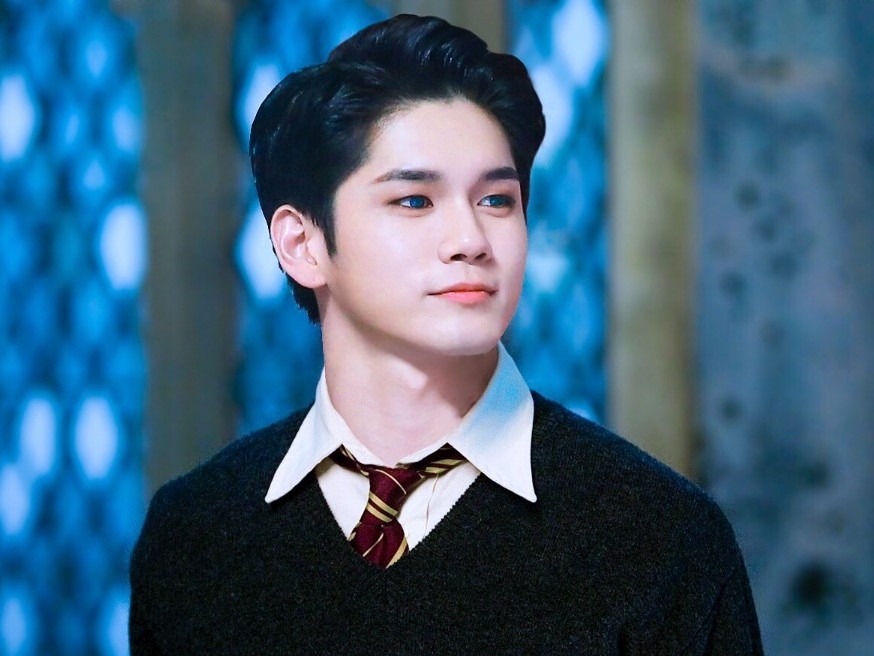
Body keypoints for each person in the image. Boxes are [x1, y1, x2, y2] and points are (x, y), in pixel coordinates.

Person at [129, 14, 763, 654]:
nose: (470, 241)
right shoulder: (194, 534)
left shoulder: (660, 537)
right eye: (415, 201)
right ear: (303, 245)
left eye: (496, 201)